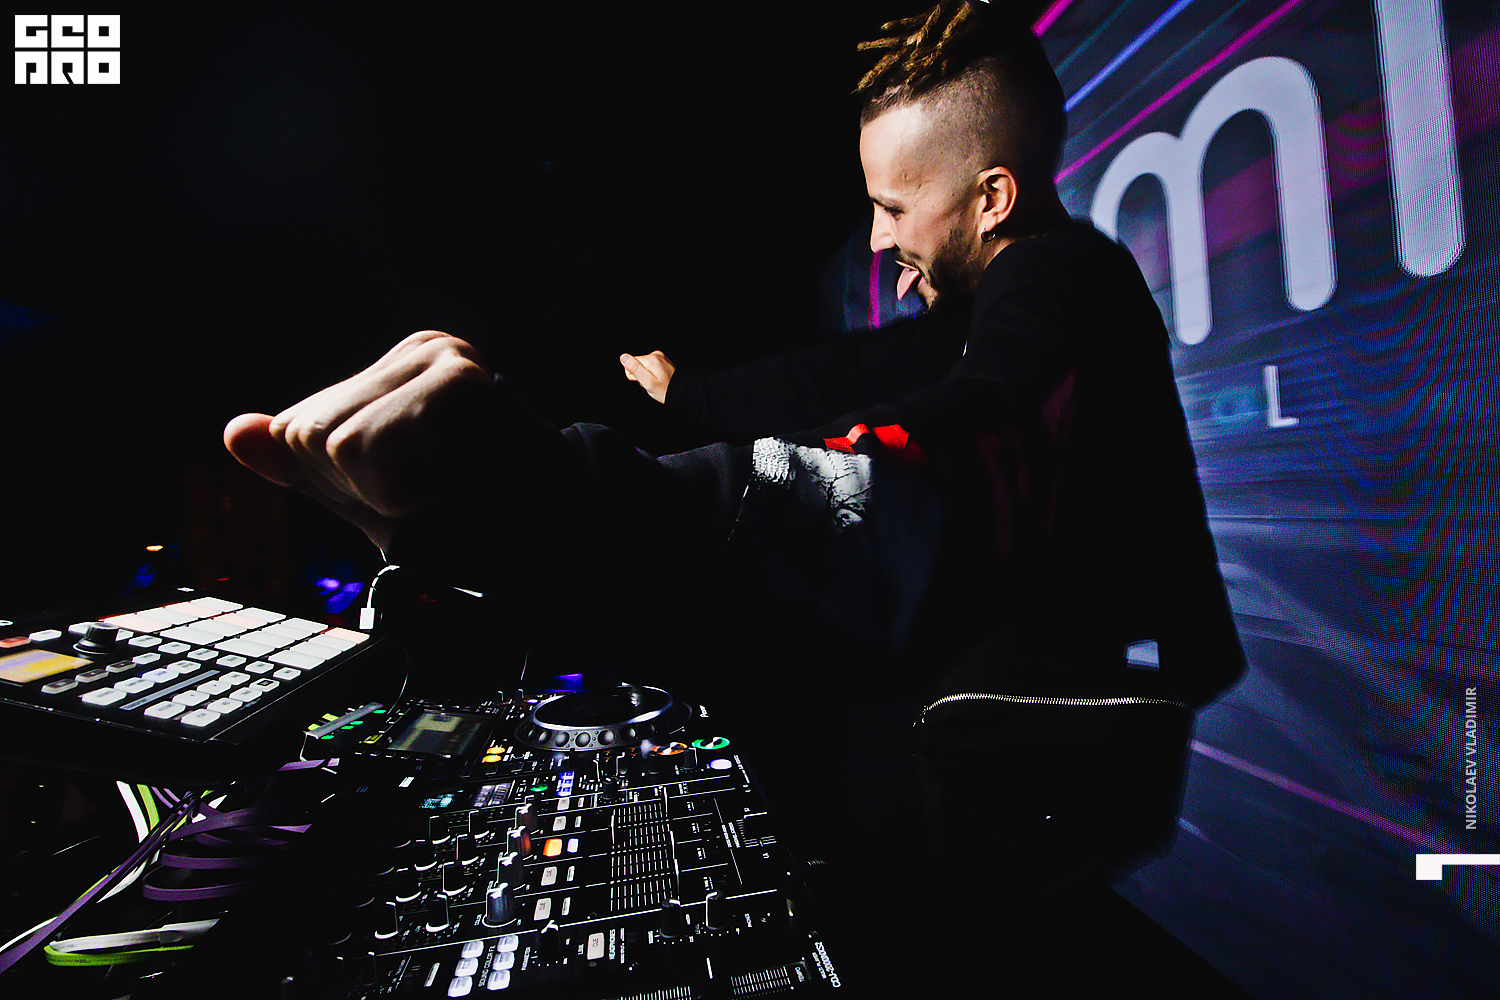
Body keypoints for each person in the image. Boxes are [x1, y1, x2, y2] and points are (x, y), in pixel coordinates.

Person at [225, 3, 1244, 992]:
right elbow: (848, 371)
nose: (878, 239)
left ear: (992, 200)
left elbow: (978, 439)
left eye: (895, 208)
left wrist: (584, 500)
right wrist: (689, 396)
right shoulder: (999, 298)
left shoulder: (1059, 277)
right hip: (1026, 763)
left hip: (1035, 783)